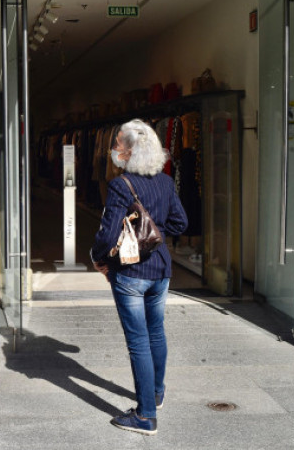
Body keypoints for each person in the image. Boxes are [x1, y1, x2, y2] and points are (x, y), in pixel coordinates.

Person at [91, 119, 188, 435]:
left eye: (118, 142)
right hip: (160, 269)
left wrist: (99, 259)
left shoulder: (122, 185)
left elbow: (107, 237)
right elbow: (180, 222)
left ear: (131, 149)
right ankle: (156, 393)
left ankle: (145, 415)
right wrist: (154, 239)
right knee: (156, 331)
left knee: (138, 341)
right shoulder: (164, 182)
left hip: (131, 272)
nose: (114, 147)